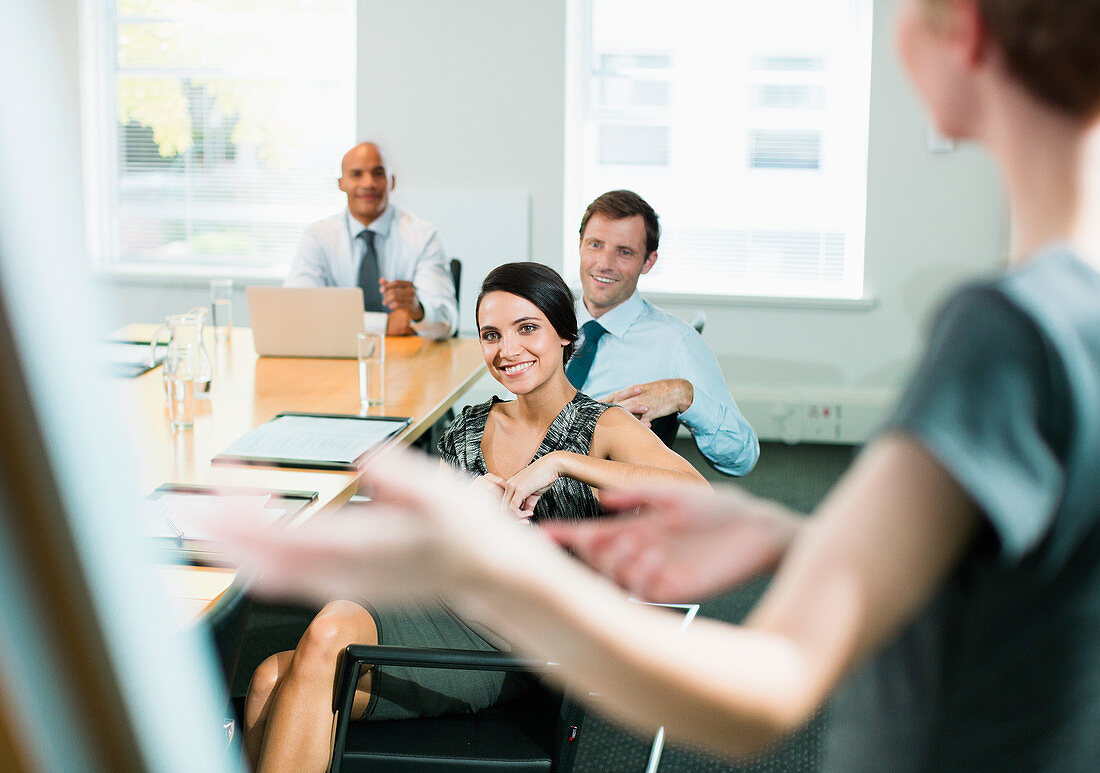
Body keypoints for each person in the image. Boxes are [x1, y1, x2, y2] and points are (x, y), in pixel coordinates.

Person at [217, 0, 1100, 768]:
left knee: (307, 649)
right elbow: (937, 579)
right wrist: (784, 535)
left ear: (958, 37)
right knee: (278, 671)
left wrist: (510, 566)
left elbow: (771, 686)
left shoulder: (1010, 332)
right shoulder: (1060, 317)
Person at [242, 262, 707, 772]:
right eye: (491, 335)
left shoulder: (602, 427)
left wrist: (559, 463)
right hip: (434, 600)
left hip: (509, 644)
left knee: (327, 635)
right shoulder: (469, 427)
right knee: (269, 678)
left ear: (565, 334)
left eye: (527, 328)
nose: (508, 350)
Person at [569, 189, 759, 476]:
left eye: (624, 252)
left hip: (599, 503)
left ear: (648, 262)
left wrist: (684, 396)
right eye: (595, 244)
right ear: (580, 245)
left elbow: (742, 458)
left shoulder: (676, 343)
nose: (604, 263)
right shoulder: (543, 321)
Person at [285, 142, 457, 339]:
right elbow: (297, 310)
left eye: (378, 173)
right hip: (335, 355)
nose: (368, 183)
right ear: (341, 184)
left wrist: (418, 311)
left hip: (409, 360)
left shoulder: (423, 236)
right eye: (356, 174)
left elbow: (447, 323)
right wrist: (384, 324)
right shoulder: (317, 236)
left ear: (392, 181)